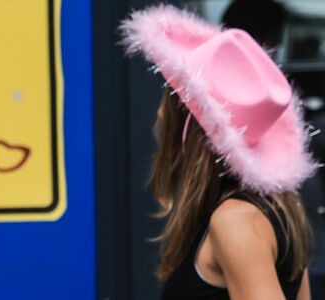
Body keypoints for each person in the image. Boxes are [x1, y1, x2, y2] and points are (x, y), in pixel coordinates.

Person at [122, 5, 315, 299]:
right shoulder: (278, 206)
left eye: (170, 96)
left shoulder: (236, 220)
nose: (160, 112)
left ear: (188, 123)